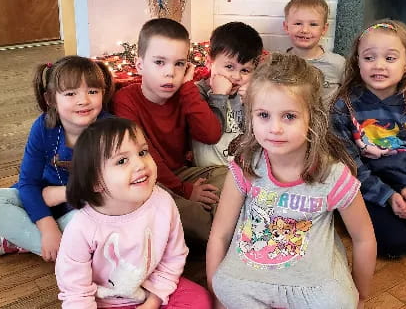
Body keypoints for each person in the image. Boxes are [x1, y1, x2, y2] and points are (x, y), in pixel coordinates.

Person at [206, 53, 376, 309]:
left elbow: (363, 237)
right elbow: (220, 234)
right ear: (250, 116)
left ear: (312, 118)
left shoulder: (333, 175)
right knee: (226, 285)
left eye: (289, 116)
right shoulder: (245, 166)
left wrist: (361, 294)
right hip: (249, 277)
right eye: (263, 115)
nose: (275, 128)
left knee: (338, 303)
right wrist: (216, 293)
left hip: (313, 284)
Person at [55, 117, 212, 309]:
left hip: (151, 291)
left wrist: (153, 301)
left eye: (143, 152)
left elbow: (174, 257)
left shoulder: (162, 201)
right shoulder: (81, 228)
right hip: (104, 303)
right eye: (122, 160)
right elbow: (75, 293)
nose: (140, 164)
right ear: (95, 182)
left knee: (200, 300)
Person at [0, 55, 113, 261]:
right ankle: (69, 256)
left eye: (92, 91)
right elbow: (28, 183)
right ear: (51, 99)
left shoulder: (112, 130)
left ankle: (22, 240)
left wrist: (64, 194)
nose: (83, 100)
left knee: (95, 224)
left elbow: (111, 188)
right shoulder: (43, 127)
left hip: (83, 209)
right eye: (70, 93)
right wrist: (48, 228)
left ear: (103, 93)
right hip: (42, 199)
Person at [331, 19, 406, 258]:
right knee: (396, 245)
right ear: (358, 62)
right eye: (369, 57)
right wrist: (385, 196)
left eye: (390, 58)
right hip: (364, 186)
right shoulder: (344, 106)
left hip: (405, 184)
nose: (379, 66)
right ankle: (344, 212)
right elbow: (348, 164)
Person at [112, 18, 227, 241]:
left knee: (232, 178)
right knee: (185, 214)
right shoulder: (125, 100)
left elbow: (210, 134)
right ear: (139, 65)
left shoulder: (185, 93)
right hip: (148, 180)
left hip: (181, 173)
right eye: (159, 62)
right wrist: (185, 190)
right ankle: (219, 232)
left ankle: (214, 228)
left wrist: (187, 88)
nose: (170, 73)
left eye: (179, 64)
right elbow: (144, 156)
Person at [192, 21, 263, 167]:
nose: (236, 76)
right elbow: (209, 134)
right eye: (229, 67)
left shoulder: (248, 93)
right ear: (209, 62)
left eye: (245, 70)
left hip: (246, 170)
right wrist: (219, 95)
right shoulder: (197, 93)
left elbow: (259, 135)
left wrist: (253, 102)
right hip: (211, 171)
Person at [284, 0, 346, 108]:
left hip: (327, 125)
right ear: (286, 27)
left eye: (313, 24)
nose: (305, 30)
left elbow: (351, 96)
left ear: (324, 29)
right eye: (298, 23)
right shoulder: (277, 63)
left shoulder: (338, 64)